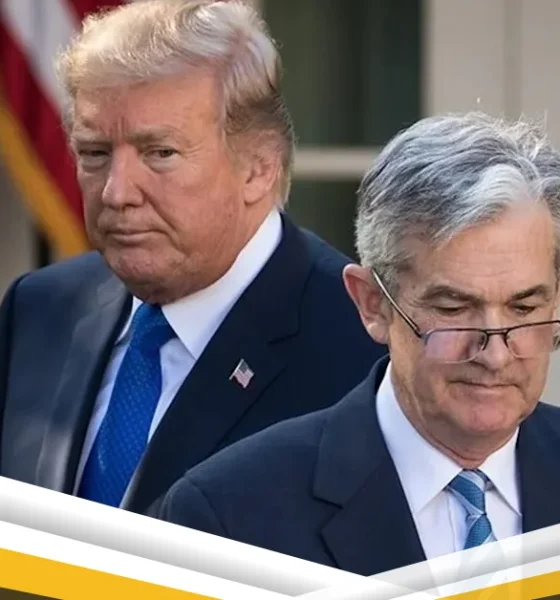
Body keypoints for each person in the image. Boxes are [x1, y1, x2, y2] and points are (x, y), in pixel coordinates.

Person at [0, 0, 385, 516]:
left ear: (259, 168)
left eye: (160, 153)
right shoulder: (37, 309)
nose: (116, 192)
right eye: (94, 153)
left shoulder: (366, 349)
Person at [159, 112, 560, 576]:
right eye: (453, 309)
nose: (495, 354)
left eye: (524, 309)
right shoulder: (227, 517)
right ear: (372, 304)